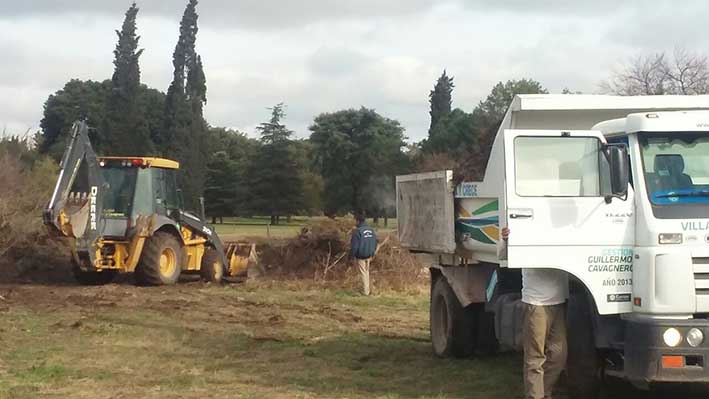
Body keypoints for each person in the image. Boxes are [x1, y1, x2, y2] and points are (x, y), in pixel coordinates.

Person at [501, 227, 568, 399]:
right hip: (536, 302)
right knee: (535, 357)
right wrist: (505, 240)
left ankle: (543, 393)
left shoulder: (558, 226)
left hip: (558, 300)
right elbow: (503, 255)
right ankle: (535, 396)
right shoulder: (523, 224)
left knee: (559, 356)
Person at [350, 211, 378, 295]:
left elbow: (354, 246)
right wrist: (372, 253)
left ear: (358, 221)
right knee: (367, 272)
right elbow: (375, 242)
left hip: (361, 255)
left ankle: (365, 292)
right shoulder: (371, 230)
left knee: (363, 273)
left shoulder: (357, 232)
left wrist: (351, 256)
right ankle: (368, 290)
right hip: (369, 255)